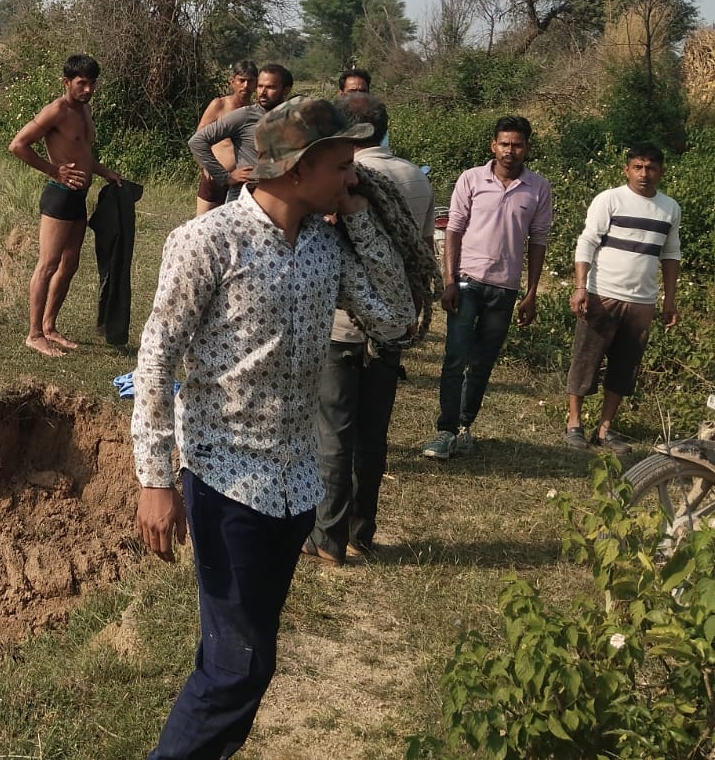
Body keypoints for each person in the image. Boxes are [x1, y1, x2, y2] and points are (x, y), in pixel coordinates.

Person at [132, 98, 414, 759]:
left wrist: (361, 221)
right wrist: (154, 479)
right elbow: (156, 355)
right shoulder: (206, 241)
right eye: (343, 168)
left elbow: (396, 319)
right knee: (238, 668)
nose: (353, 179)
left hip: (295, 490)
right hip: (225, 480)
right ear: (296, 169)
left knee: (243, 658)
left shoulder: (327, 248)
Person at [306, 92, 435, 565]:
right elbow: (421, 250)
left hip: (341, 328)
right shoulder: (416, 177)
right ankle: (362, 530)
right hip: (389, 332)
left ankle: (328, 538)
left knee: (334, 434)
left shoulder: (337, 180)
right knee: (372, 435)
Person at [422, 115, 553, 460]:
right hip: (467, 283)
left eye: (518, 144)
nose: (511, 151)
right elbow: (454, 230)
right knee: (455, 358)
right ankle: (444, 431)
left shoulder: (538, 187)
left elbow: (538, 240)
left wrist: (531, 292)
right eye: (505, 144)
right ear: (493, 146)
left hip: (504, 289)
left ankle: (464, 427)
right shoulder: (471, 179)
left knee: (482, 363)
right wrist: (449, 281)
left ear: (527, 148)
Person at [563, 143, 681, 453]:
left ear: (661, 171)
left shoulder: (670, 208)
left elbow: (670, 254)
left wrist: (670, 300)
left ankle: (605, 429)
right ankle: (574, 423)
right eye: (638, 167)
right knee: (586, 358)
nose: (645, 174)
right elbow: (587, 242)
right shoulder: (610, 199)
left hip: (642, 301)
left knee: (625, 366)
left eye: (651, 167)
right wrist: (580, 287)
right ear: (626, 169)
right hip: (603, 293)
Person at [8, 54, 122, 357]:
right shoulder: (56, 110)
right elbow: (18, 145)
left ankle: (49, 327)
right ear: (66, 82)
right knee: (47, 265)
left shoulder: (85, 111)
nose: (88, 89)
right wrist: (52, 170)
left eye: (92, 83)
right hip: (58, 195)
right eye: (81, 83)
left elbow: (82, 153)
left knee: (69, 264)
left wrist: (105, 172)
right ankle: (33, 334)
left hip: (78, 198)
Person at [187, 63, 292, 207]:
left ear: (286, 90)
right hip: (243, 198)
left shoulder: (295, 119)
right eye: (260, 86)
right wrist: (224, 177)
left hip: (280, 198)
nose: (262, 92)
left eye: (270, 87)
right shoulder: (244, 115)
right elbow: (198, 140)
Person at [191, 60, 257, 217]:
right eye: (241, 80)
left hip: (243, 181)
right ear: (232, 81)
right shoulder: (219, 105)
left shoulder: (256, 112)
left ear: (256, 84)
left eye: (250, 81)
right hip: (216, 177)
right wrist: (205, 167)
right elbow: (199, 137)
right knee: (204, 224)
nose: (245, 86)